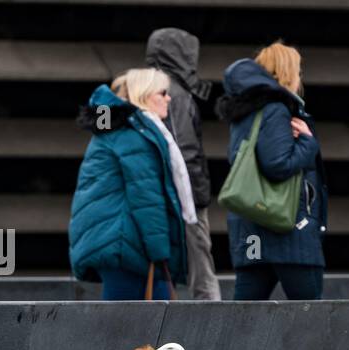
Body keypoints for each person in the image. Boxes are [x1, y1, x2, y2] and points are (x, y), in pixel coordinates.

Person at [69, 69, 195, 300]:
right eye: (162, 92)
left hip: (118, 241)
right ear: (144, 94)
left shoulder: (125, 130)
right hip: (123, 244)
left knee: (130, 324)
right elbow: (147, 197)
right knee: (128, 325)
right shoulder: (133, 135)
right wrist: (160, 253)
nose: (168, 98)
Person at [216, 41, 328, 300]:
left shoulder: (247, 112)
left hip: (253, 227)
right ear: (287, 72)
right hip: (288, 230)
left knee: (243, 321)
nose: (299, 78)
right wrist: (308, 143)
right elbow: (278, 165)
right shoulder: (275, 110)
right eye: (298, 71)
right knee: (312, 320)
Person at [146, 28, 221, 301]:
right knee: (201, 269)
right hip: (185, 199)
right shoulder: (175, 93)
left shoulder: (152, 86)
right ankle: (215, 328)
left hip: (163, 197)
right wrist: (197, 198)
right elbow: (184, 149)